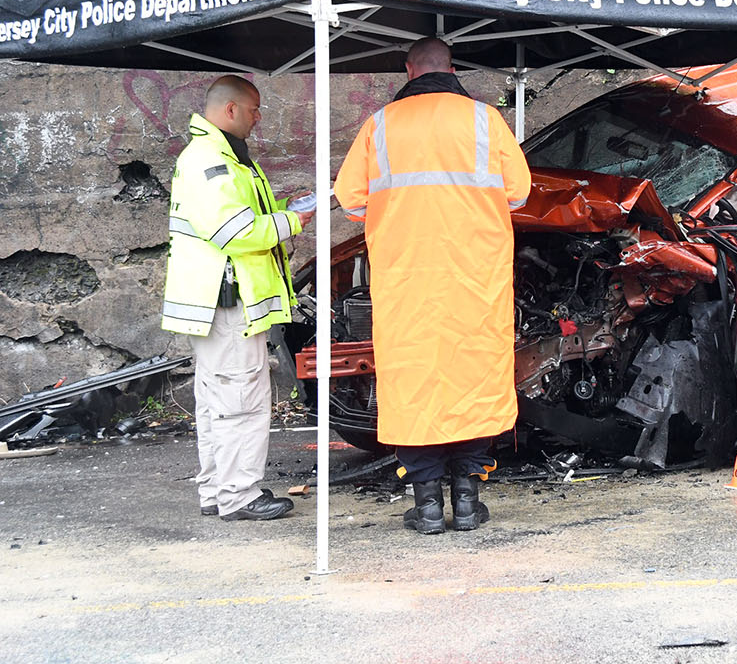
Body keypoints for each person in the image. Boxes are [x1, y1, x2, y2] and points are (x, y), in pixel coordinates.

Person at [334, 38, 531, 534]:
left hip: (407, 280)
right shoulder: (486, 120)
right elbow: (519, 193)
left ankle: (426, 507)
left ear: (409, 70)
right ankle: (466, 501)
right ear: (452, 68)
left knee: (413, 381)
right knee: (474, 377)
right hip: (475, 279)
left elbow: (351, 200)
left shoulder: (380, 125)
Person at [161, 76, 314, 521]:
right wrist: (294, 221)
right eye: (254, 109)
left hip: (216, 303)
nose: (258, 117)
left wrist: (286, 207)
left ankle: (217, 490)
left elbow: (241, 216)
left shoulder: (218, 156)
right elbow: (236, 232)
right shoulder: (213, 161)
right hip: (227, 305)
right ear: (231, 110)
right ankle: (239, 496)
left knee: (219, 401)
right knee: (241, 401)